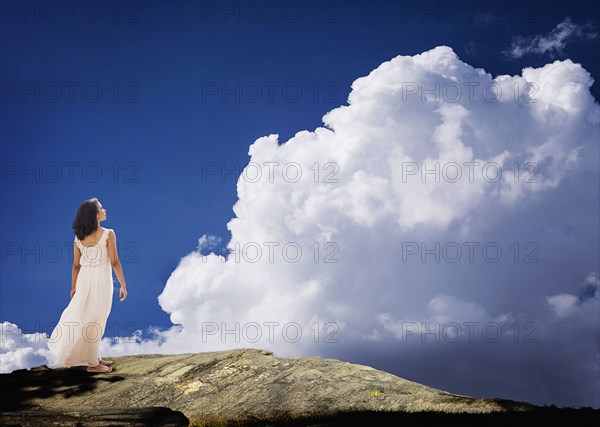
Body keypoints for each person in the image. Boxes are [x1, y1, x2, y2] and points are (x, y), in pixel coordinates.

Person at [47, 197, 128, 373]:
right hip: (101, 280)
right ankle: (92, 364)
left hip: (84, 279)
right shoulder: (108, 234)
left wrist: (73, 287)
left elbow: (76, 265)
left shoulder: (78, 238)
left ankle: (94, 356)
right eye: (101, 208)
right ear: (95, 215)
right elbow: (114, 261)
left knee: (88, 316)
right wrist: (123, 284)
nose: (105, 210)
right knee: (97, 318)